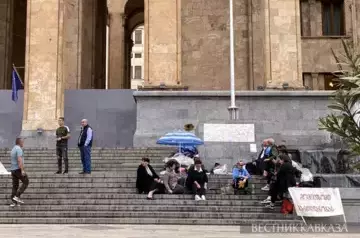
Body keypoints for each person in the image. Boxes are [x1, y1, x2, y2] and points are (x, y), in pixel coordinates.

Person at [9, 138, 29, 207]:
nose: (23, 143)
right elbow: (19, 160)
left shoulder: (13, 149)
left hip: (13, 170)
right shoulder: (19, 149)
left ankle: (14, 202)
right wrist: (22, 170)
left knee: (15, 186)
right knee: (26, 181)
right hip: (18, 169)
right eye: (22, 142)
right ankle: (17, 196)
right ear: (19, 142)